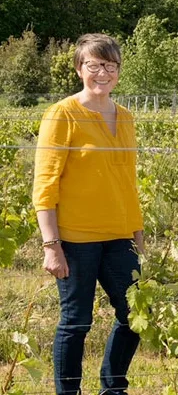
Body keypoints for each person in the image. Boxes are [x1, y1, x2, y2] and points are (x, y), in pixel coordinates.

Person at [33, 33, 144, 395]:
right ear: (80, 69)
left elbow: (128, 179)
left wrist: (137, 233)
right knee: (75, 323)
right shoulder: (62, 114)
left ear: (118, 72)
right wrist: (51, 244)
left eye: (110, 66)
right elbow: (45, 184)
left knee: (137, 315)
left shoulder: (125, 117)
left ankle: (113, 388)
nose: (103, 73)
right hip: (75, 239)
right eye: (94, 65)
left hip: (118, 236)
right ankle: (69, 392)